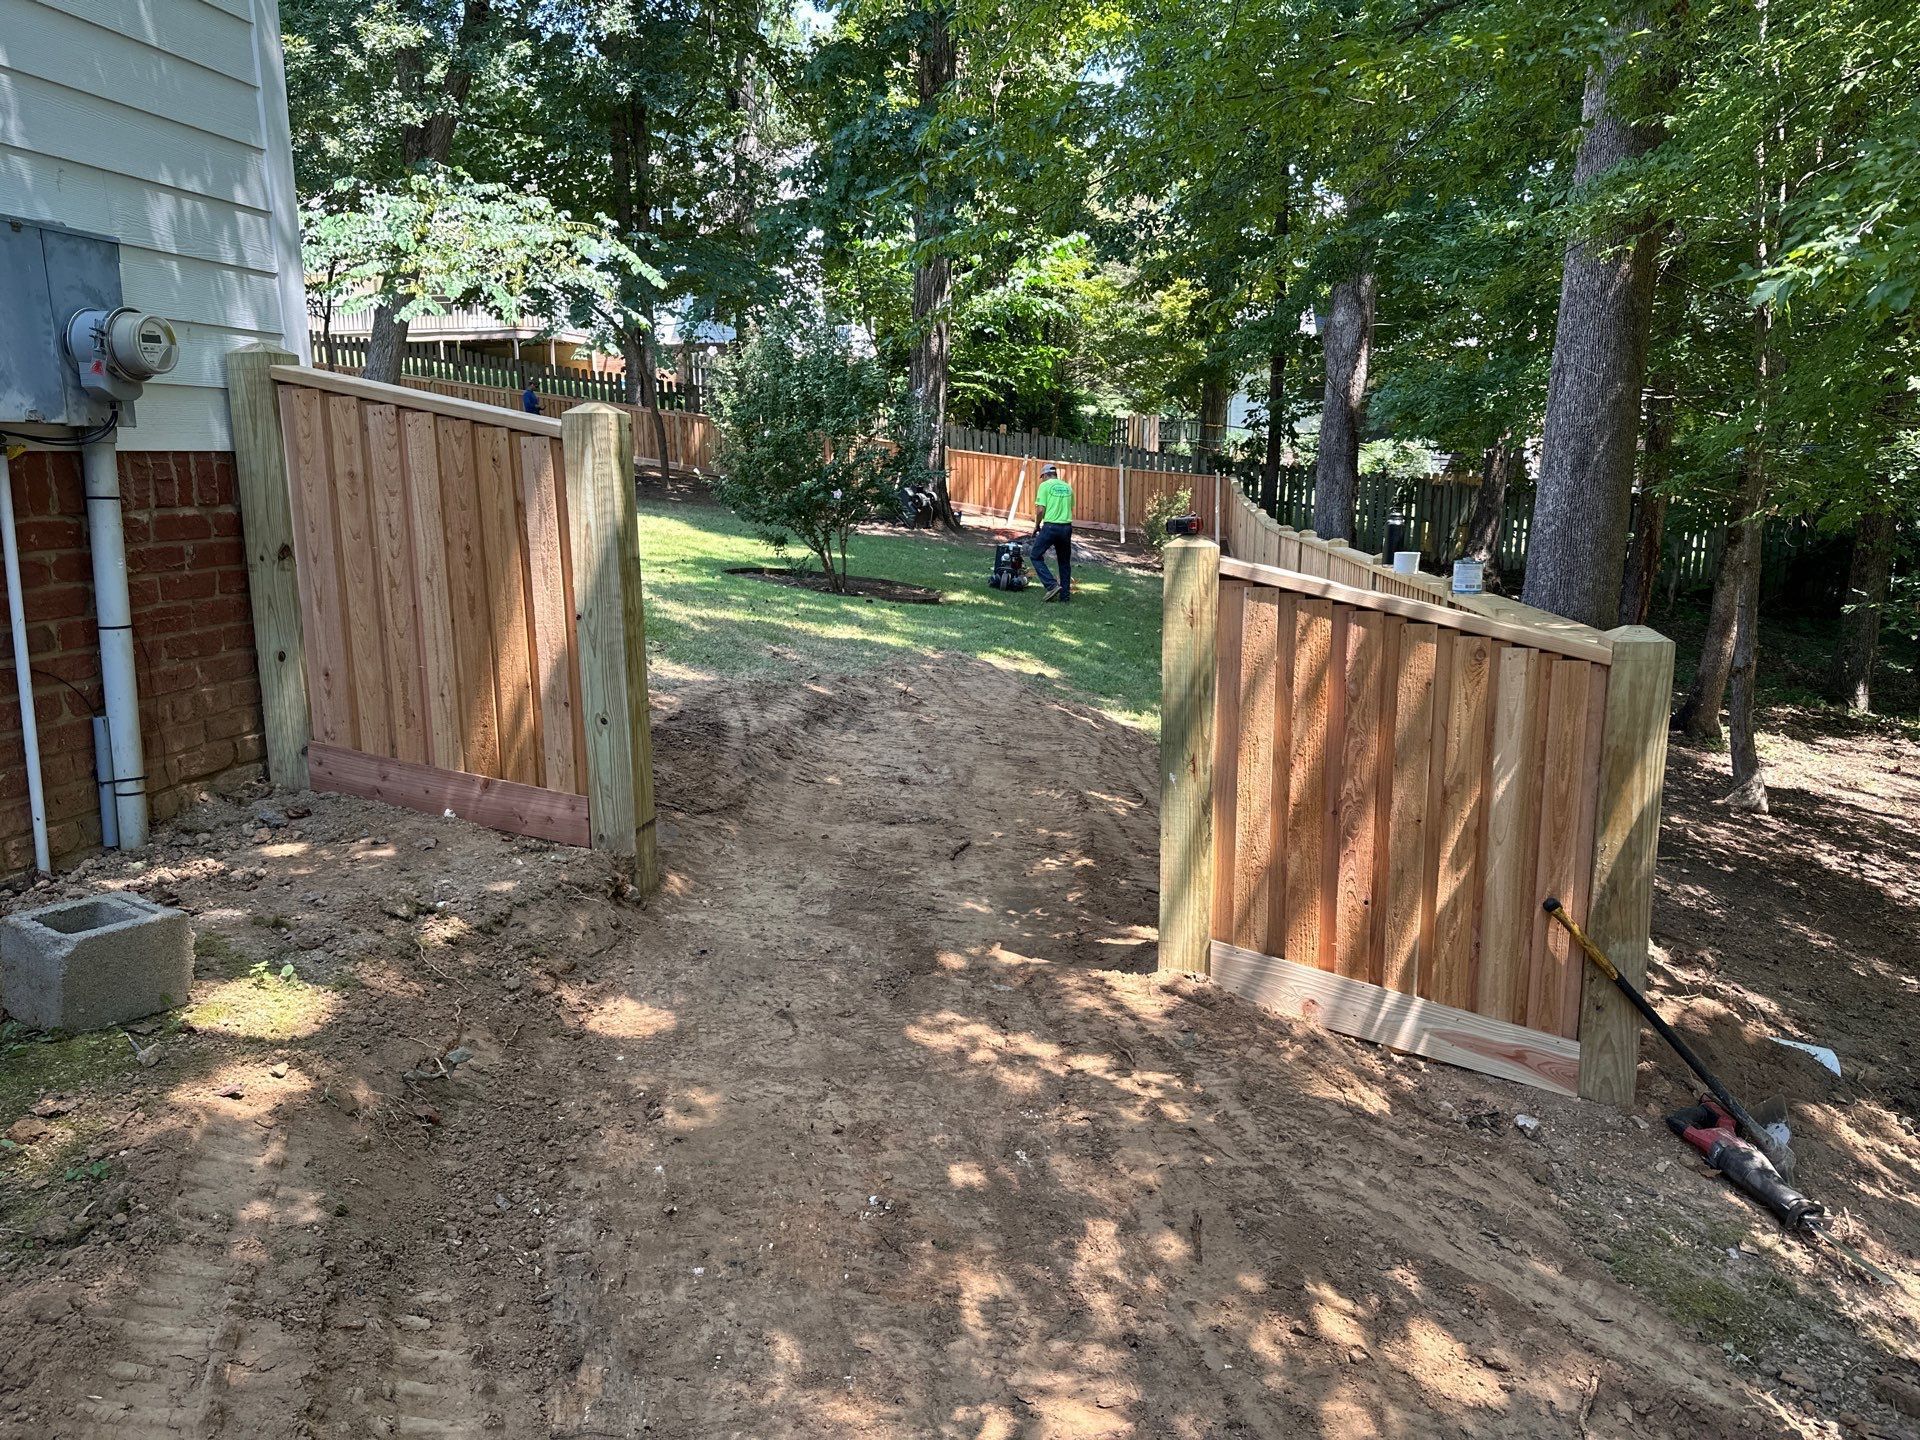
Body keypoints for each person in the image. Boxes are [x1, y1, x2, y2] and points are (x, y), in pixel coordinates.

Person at [1028, 463, 1074, 603]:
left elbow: (1041, 510)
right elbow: (1070, 507)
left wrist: (1036, 525)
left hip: (1051, 527)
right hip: (1066, 527)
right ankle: (1064, 597)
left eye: (1042, 477)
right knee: (1064, 562)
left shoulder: (1045, 486)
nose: (1042, 480)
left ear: (1046, 475)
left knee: (1035, 555)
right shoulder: (1068, 487)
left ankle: (1051, 585)